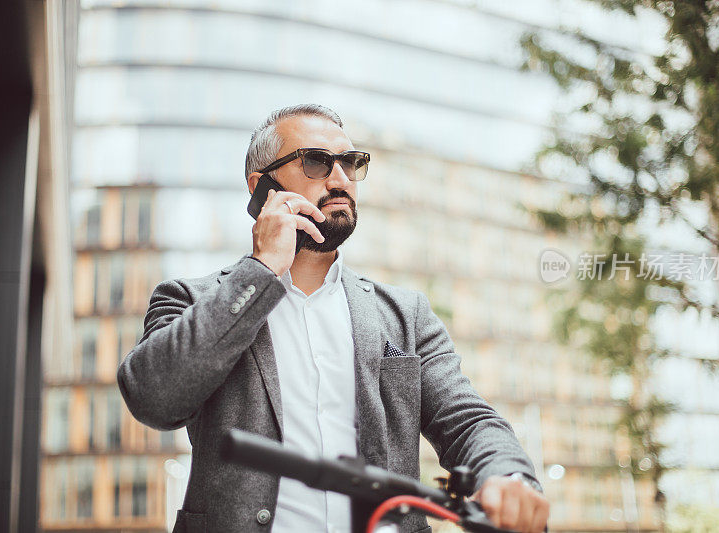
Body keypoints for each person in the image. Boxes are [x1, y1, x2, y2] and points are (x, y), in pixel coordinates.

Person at [117, 104, 550, 533]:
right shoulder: (193, 300)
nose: (341, 179)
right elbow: (154, 398)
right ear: (261, 185)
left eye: (351, 163)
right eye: (317, 162)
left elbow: (467, 420)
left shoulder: (405, 314)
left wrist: (507, 476)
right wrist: (262, 268)